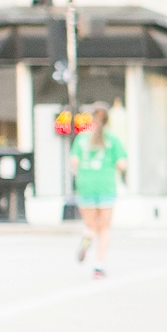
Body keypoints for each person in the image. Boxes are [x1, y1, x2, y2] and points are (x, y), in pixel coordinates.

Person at [69, 102, 127, 278]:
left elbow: (74, 162)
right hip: (105, 185)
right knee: (104, 227)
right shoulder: (113, 139)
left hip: (85, 185)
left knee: (90, 225)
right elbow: (122, 164)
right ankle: (99, 265)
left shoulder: (81, 138)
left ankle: (87, 237)